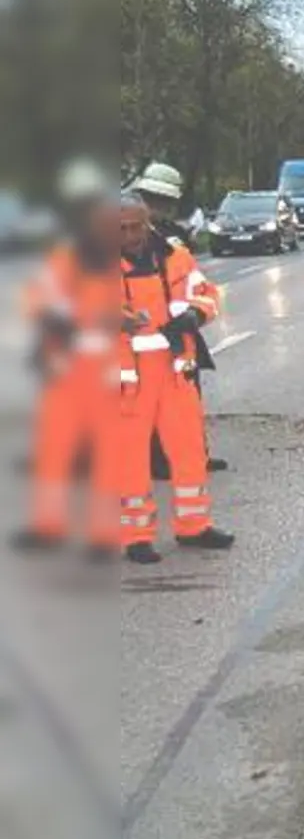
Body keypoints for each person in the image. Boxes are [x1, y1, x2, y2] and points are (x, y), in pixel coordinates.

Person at [13, 159, 123, 560]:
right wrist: (52, 320)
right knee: (54, 449)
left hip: (106, 370)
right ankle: (48, 526)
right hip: (66, 368)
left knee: (106, 456)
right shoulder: (68, 256)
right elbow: (38, 297)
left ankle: (102, 535)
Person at [116, 195, 235, 564]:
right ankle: (137, 537)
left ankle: (194, 525)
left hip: (175, 371)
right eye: (121, 229)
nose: (129, 235)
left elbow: (207, 294)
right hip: (128, 379)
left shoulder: (176, 257)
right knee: (130, 459)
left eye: (136, 226)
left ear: (147, 221)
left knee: (189, 451)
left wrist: (195, 316)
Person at [129, 161, 227, 475]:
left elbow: (198, 285)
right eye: (152, 200)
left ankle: (193, 454)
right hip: (140, 339)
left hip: (179, 334)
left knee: (187, 395)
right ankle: (156, 460)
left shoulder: (174, 239)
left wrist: (195, 313)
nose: (158, 208)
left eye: (164, 202)